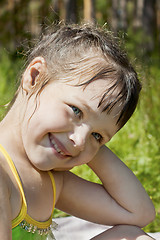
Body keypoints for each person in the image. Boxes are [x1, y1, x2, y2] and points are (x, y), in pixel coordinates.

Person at [0, 23, 155, 240]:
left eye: (98, 136)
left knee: (131, 237)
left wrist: (88, 140)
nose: (80, 141)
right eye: (76, 110)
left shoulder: (54, 181)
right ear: (34, 77)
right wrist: (90, 134)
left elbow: (138, 213)